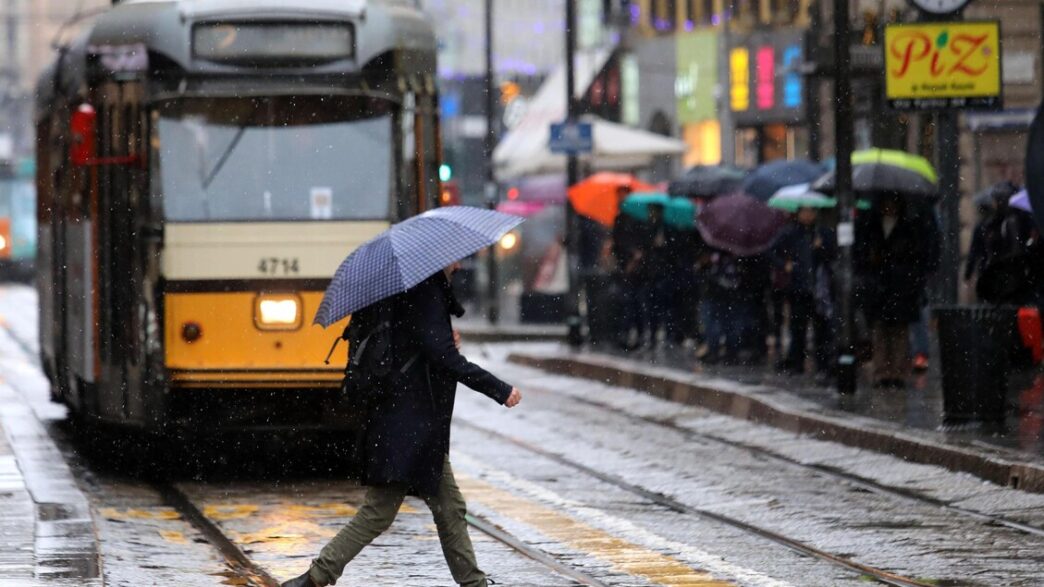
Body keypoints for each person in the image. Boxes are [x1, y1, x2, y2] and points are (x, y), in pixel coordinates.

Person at [283, 262, 523, 587]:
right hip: (409, 423)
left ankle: (473, 583)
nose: (461, 262)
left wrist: (439, 339)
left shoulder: (414, 287)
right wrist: (499, 388)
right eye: (456, 256)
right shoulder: (426, 289)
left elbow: (418, 344)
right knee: (382, 511)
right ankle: (315, 577)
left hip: (406, 419)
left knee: (447, 508)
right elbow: (442, 357)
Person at [854, 193, 939, 388]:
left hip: (901, 286)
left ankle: (898, 372)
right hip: (878, 287)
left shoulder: (909, 227)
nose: (889, 207)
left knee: (899, 331)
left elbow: (918, 255)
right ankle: (882, 371)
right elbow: (862, 253)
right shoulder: (870, 226)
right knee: (880, 330)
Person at [772, 206, 837, 377]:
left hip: (819, 290)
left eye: (811, 211)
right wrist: (785, 265)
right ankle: (796, 364)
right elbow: (773, 252)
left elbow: (833, 255)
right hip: (798, 288)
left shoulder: (823, 233)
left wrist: (820, 248)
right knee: (797, 329)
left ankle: (822, 366)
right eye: (805, 212)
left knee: (821, 331)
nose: (808, 215)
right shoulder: (790, 233)